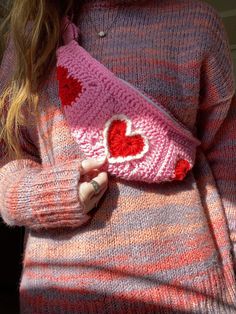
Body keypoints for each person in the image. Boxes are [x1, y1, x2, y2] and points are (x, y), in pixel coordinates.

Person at [0, 0, 236, 313]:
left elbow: (228, 158)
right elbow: (8, 162)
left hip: (192, 288)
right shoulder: (30, 37)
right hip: (62, 296)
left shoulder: (195, 21)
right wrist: (50, 195)